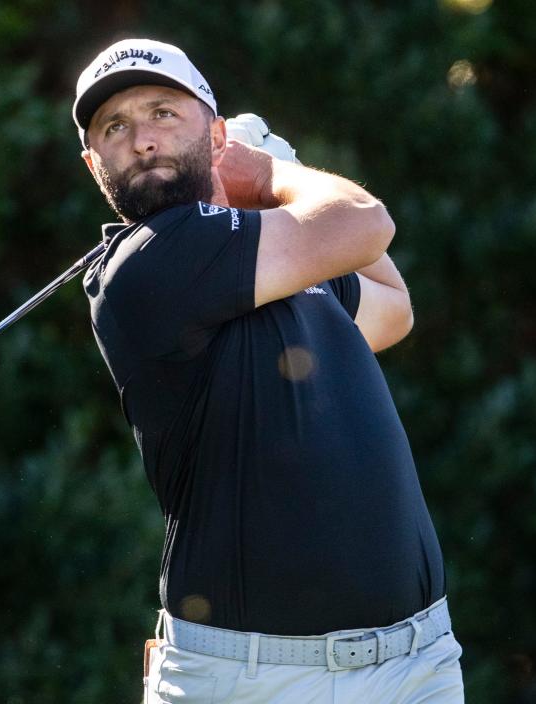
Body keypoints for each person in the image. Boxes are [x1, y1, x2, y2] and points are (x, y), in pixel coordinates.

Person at [73, 38, 465, 702]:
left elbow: (392, 307)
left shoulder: (274, 261)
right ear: (94, 164)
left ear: (215, 133)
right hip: (253, 681)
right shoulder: (144, 266)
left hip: (416, 664)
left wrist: (277, 182)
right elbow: (366, 222)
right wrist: (279, 173)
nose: (142, 140)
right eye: (115, 127)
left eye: (164, 112)